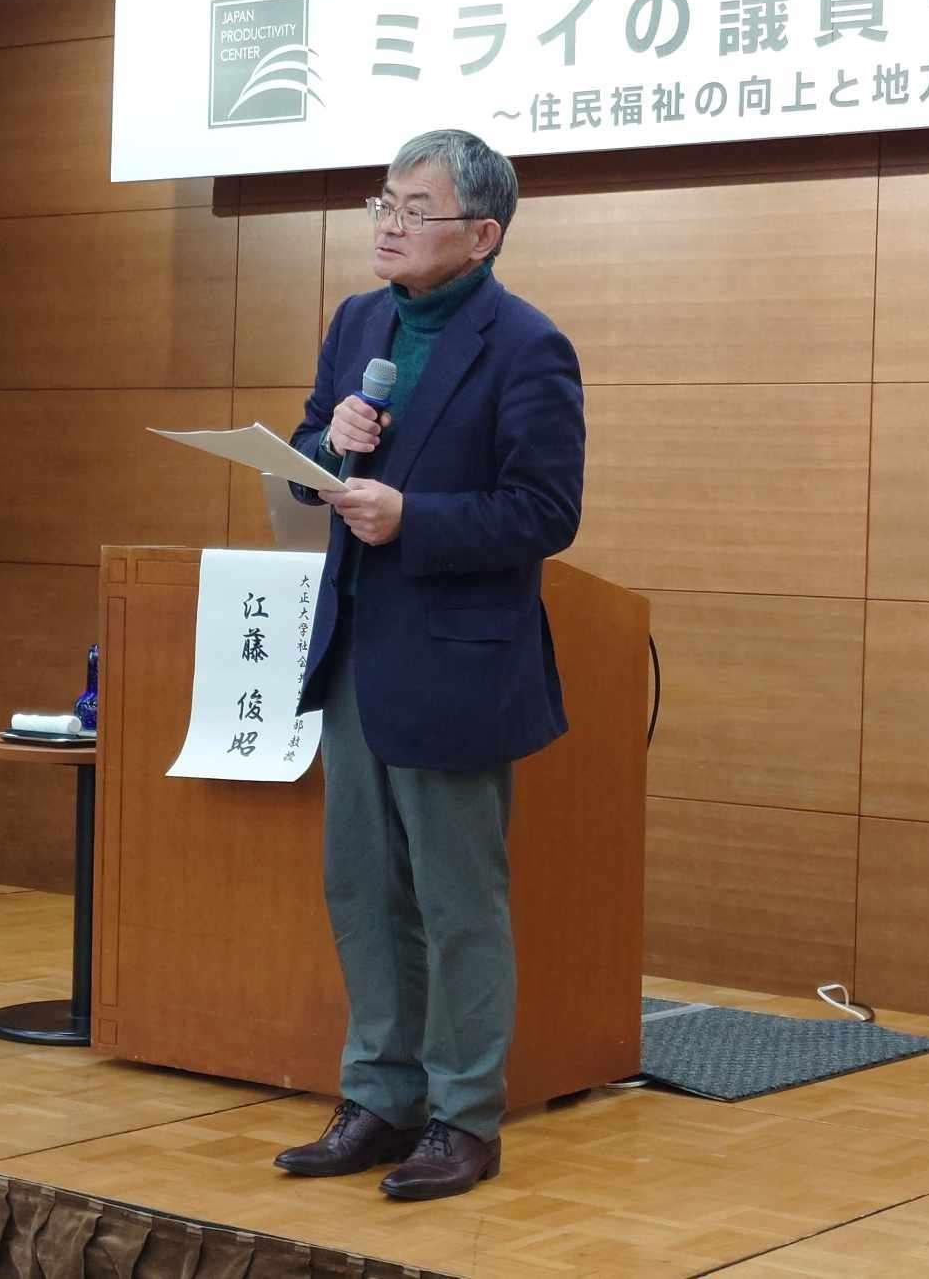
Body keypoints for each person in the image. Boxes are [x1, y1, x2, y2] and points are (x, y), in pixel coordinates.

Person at [274, 129, 585, 1201]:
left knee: (455, 902)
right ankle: (379, 1096)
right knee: (362, 889)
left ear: (482, 234)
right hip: (355, 651)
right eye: (384, 203)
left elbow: (545, 512)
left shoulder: (527, 346)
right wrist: (327, 447)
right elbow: (311, 459)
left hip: (457, 666)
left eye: (416, 208)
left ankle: (463, 1116)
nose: (390, 224)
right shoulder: (359, 321)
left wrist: (413, 517)